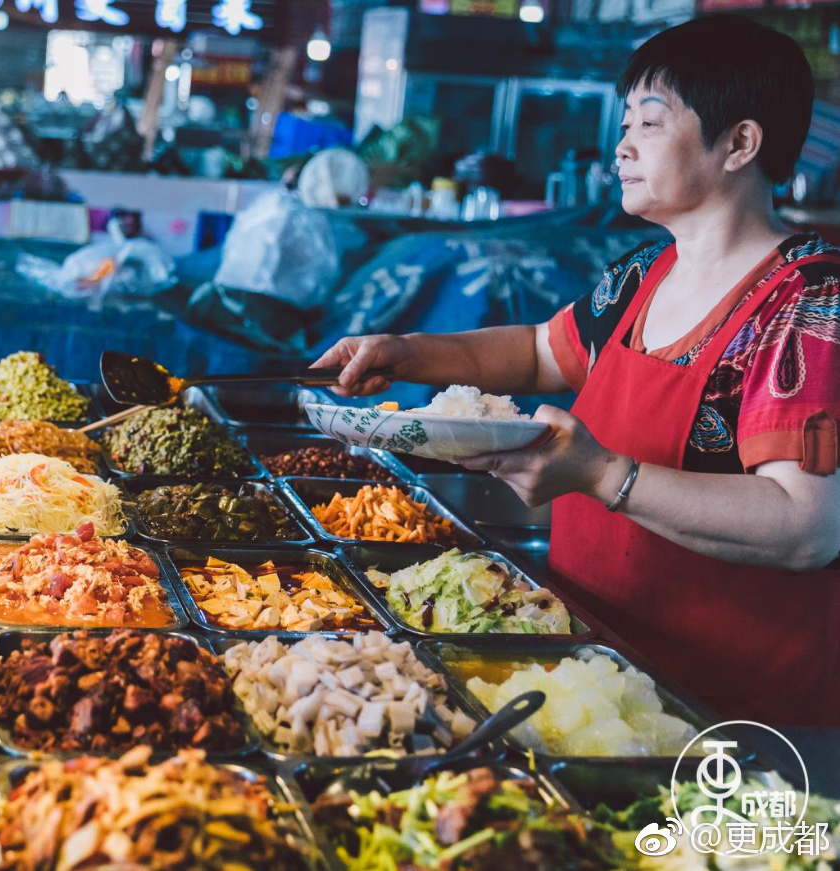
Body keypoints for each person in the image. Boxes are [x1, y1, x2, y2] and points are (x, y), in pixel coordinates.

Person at [313, 14, 840, 726]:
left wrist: (601, 474)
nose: (620, 146)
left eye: (649, 123)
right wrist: (411, 351)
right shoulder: (641, 275)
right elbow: (537, 350)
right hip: (600, 675)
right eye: (625, 123)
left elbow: (805, 525)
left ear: (740, 143)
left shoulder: (806, 303)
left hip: (734, 709)